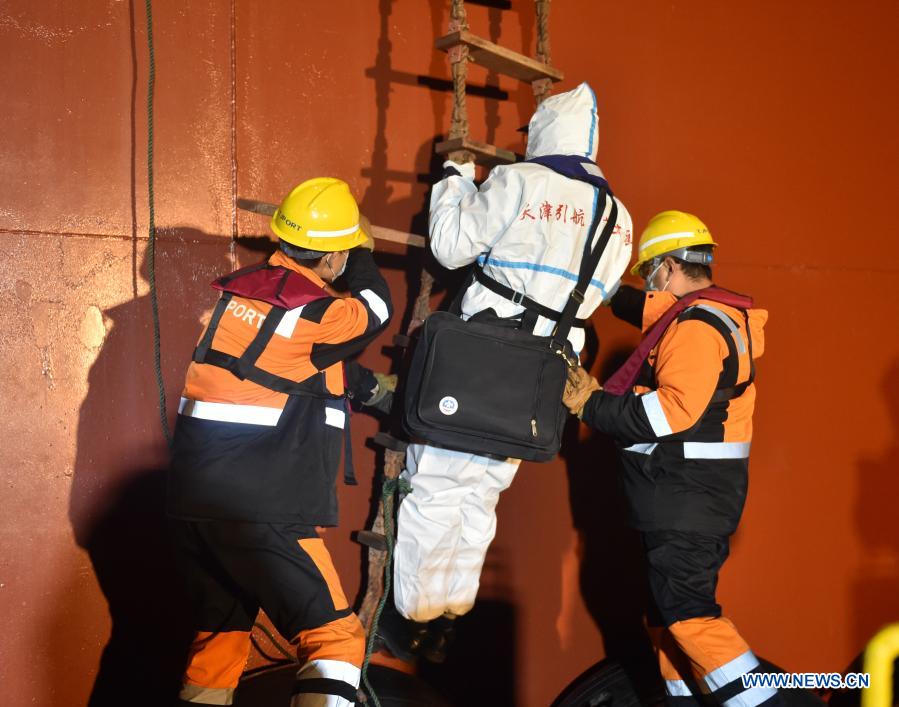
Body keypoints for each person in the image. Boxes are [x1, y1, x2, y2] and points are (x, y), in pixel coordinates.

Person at [388, 82, 634, 658]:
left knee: (435, 486)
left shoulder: (522, 181)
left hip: (482, 355)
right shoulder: (620, 217)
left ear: (543, 133)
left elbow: (449, 247)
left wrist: (453, 178)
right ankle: (449, 619)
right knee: (481, 494)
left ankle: (412, 620)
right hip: (544, 374)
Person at [167, 177, 393, 707]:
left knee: (220, 643)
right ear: (334, 256)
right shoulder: (316, 314)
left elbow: (279, 368)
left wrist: (371, 390)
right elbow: (374, 309)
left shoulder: (238, 299)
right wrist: (361, 252)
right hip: (259, 508)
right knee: (336, 641)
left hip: (193, 509)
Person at [563, 210, 779, 707]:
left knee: (687, 614)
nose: (649, 282)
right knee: (665, 620)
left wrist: (590, 404)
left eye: (649, 271)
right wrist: (603, 287)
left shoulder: (697, 328)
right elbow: (655, 315)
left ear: (668, 266)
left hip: (686, 498)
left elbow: (671, 413)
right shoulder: (709, 314)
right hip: (687, 496)